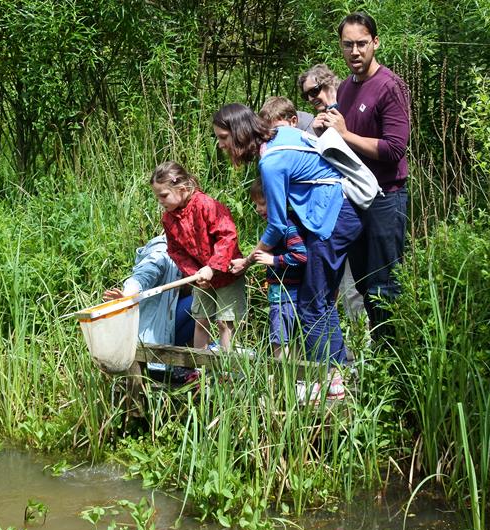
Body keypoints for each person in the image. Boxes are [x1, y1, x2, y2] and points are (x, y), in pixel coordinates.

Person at [215, 103, 362, 400]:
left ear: (238, 133)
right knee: (320, 302)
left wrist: (248, 259)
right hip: (344, 213)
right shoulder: (282, 134)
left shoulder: (271, 162)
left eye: (222, 137)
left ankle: (325, 380)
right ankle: (334, 376)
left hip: (331, 218)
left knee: (311, 304)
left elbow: (277, 226)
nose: (221, 145)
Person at [313, 12, 410, 344]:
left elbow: (395, 148)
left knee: (385, 286)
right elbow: (341, 140)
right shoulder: (347, 88)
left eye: (361, 44)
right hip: (355, 197)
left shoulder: (390, 86)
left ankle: (394, 367)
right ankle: (375, 365)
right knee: (365, 285)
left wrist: (344, 134)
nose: (355, 51)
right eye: (348, 45)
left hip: (386, 197)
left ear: (375, 43)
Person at [297, 63, 367, 323]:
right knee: (340, 288)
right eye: (306, 95)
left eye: (314, 90)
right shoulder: (315, 122)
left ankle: (368, 354)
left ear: (330, 83)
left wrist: (339, 128)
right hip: (331, 213)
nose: (311, 98)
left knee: (359, 286)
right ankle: (346, 354)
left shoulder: (350, 105)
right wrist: (315, 131)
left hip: (358, 203)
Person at [151, 161, 246, 352]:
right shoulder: (168, 218)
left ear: (183, 188)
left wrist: (212, 268)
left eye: (163, 195)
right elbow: (175, 251)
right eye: (157, 197)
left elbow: (227, 235)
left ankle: (226, 373)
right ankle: (200, 371)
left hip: (227, 274)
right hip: (200, 278)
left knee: (224, 322)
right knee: (200, 320)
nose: (160, 201)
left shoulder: (206, 205)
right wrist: (195, 274)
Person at [103, 234, 196, 380]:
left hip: (170, 328)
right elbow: (144, 275)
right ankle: (179, 366)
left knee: (202, 302)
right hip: (152, 335)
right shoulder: (161, 252)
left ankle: (186, 365)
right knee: (196, 303)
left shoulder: (190, 251)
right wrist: (127, 294)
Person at [248, 179, 307, 358]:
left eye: (262, 203)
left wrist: (272, 259)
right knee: (289, 338)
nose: (258, 209)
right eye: (256, 204)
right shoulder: (281, 225)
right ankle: (295, 380)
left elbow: (301, 255)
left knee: (280, 339)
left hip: (287, 295)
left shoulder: (287, 227)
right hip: (280, 293)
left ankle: (284, 379)